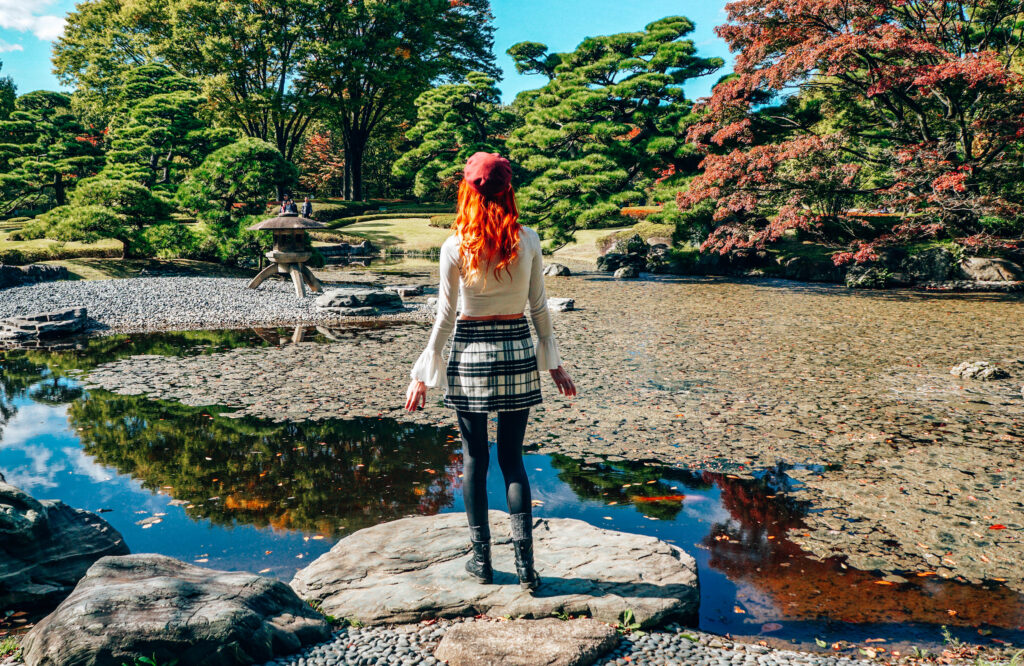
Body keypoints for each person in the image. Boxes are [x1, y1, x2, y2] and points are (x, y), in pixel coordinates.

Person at [405, 152, 577, 591]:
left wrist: (422, 374)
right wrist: (553, 364)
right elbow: (539, 307)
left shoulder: (455, 244)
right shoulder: (529, 239)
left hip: (470, 354)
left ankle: (481, 564)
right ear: (509, 190)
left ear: (468, 191)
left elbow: (445, 315)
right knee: (513, 461)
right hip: (517, 349)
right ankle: (526, 570)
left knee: (475, 460)